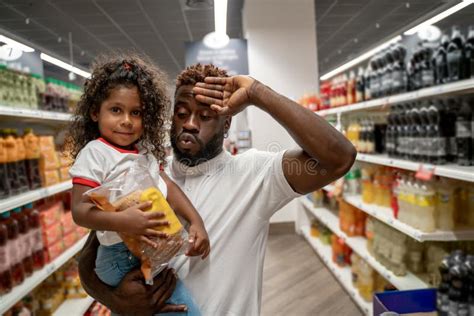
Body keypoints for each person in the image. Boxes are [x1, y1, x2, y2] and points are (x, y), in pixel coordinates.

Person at [78, 63, 357, 315]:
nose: (190, 124)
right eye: (182, 113)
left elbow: (339, 158)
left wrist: (257, 93)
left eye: (206, 115)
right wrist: (114, 299)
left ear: (227, 124)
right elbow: (91, 256)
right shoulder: (140, 173)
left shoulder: (254, 173)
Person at [68, 56, 211, 315]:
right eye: (116, 110)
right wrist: (126, 221)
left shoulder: (142, 151)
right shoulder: (95, 154)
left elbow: (168, 188)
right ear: (94, 112)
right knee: (187, 311)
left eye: (136, 112)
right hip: (119, 255)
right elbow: (79, 212)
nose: (126, 120)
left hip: (144, 251)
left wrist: (195, 221)